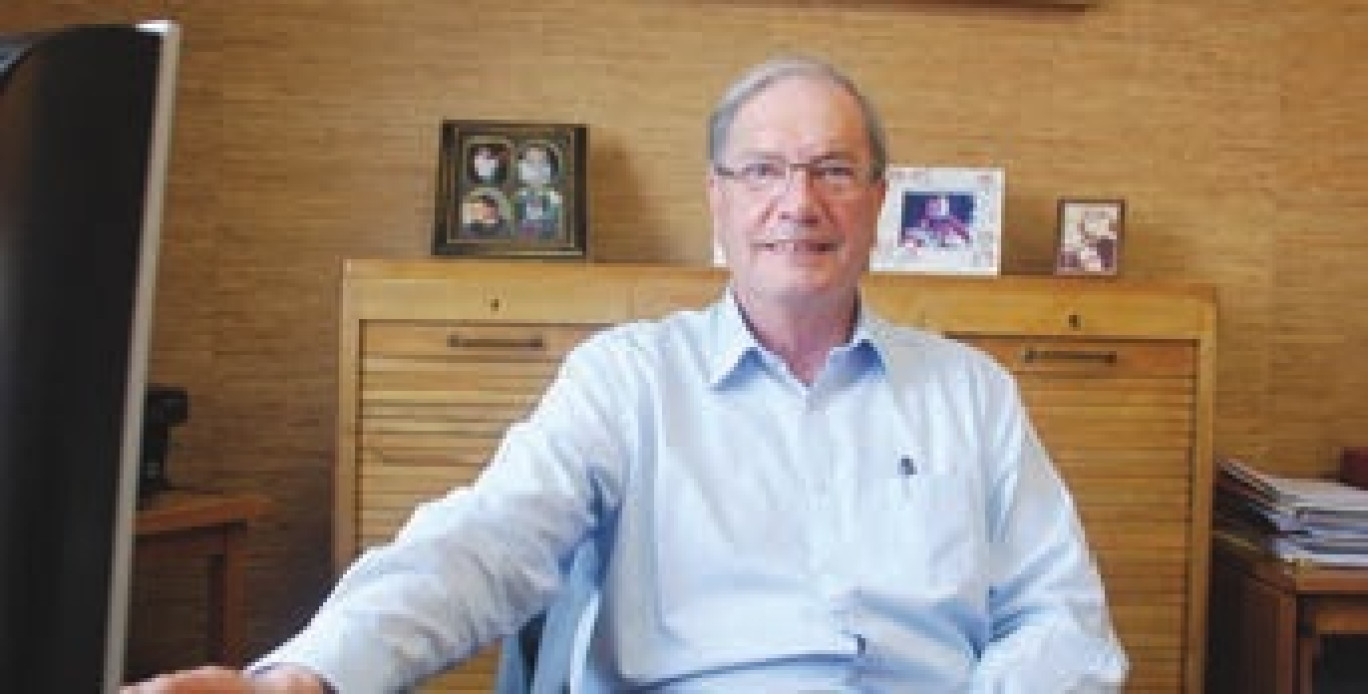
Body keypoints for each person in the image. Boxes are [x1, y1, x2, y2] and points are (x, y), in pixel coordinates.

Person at [124, 56, 1127, 693]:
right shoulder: (628, 380)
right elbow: (483, 541)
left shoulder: (971, 395)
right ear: (719, 201)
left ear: (876, 200)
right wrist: (312, 673)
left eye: (832, 170)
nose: (798, 201)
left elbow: (1061, 618)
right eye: (764, 170)